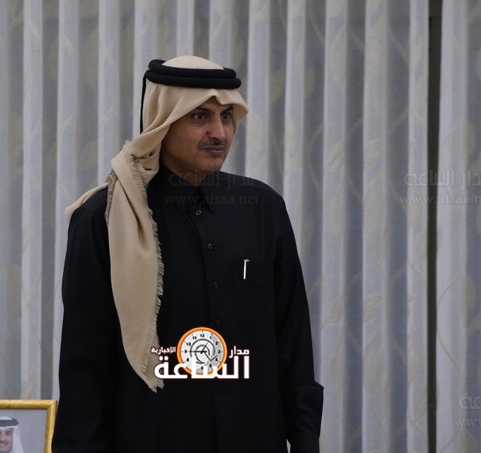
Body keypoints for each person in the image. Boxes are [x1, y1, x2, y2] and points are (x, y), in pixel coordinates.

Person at [53, 55, 323, 452]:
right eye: (200, 117)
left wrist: (305, 441)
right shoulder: (106, 218)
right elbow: (85, 373)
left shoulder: (262, 209)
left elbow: (293, 348)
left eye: (227, 117)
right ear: (162, 121)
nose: (219, 132)